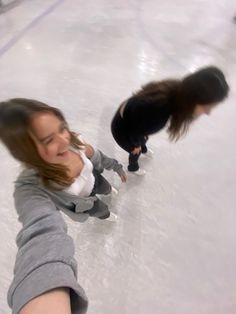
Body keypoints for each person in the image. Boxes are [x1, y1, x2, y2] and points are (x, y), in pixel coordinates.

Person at [0, 98, 127, 314]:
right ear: (28, 151)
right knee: (102, 212)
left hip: (96, 181)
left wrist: (116, 167)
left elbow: (98, 158)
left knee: (105, 188)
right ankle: (106, 214)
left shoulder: (75, 143)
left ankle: (108, 192)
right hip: (86, 205)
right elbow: (41, 234)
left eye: (62, 128)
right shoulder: (32, 187)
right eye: (49, 140)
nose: (64, 140)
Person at [111, 66, 229, 175]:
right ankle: (133, 167)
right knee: (136, 151)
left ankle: (142, 146)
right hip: (123, 131)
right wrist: (135, 145)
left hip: (135, 122)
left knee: (144, 138)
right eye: (207, 107)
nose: (208, 113)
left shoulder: (175, 88)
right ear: (194, 99)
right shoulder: (158, 113)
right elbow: (135, 130)